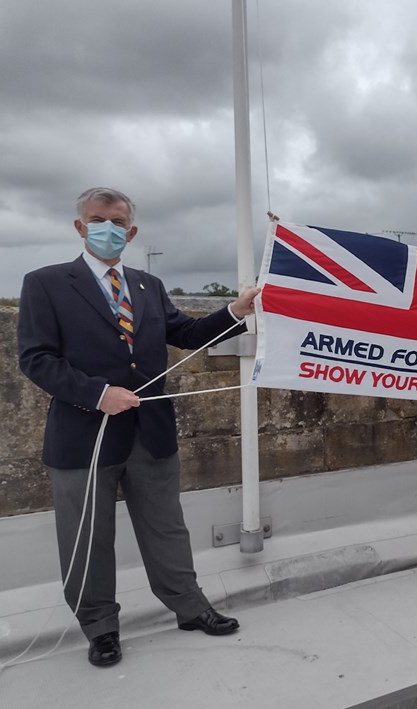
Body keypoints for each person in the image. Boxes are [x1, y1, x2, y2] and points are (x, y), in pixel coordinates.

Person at [18, 187, 260, 667]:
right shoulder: (45, 283)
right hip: (83, 438)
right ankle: (101, 627)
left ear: (130, 231)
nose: (107, 228)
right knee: (87, 537)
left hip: (151, 434)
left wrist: (236, 311)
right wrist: (97, 394)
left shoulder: (148, 286)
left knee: (167, 528)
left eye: (117, 222)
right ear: (80, 226)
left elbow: (186, 334)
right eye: (96, 219)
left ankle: (189, 608)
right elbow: (36, 359)